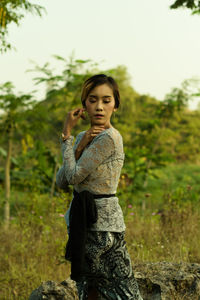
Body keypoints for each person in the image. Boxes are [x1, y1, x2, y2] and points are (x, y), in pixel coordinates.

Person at [56, 74, 143, 300]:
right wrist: (77, 145)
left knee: (125, 294)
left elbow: (73, 176)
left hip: (104, 228)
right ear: (84, 104)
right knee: (90, 291)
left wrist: (67, 136)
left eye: (106, 100)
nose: (99, 107)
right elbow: (60, 181)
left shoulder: (110, 138)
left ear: (115, 105)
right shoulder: (84, 137)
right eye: (93, 100)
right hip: (82, 224)